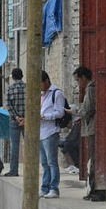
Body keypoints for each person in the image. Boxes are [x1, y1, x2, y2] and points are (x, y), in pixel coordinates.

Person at [76, 65, 104, 202]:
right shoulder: (89, 89)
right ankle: (93, 189)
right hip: (91, 128)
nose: (78, 83)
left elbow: (88, 109)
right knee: (92, 159)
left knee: (94, 159)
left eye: (78, 80)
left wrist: (76, 111)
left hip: (92, 128)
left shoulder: (91, 89)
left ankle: (96, 189)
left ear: (83, 78)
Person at [40, 70, 67, 199]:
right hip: (41, 132)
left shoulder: (57, 93)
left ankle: (54, 188)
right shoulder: (42, 94)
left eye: (40, 84)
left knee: (52, 162)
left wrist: (45, 116)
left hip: (51, 131)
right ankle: (44, 187)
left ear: (46, 81)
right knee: (44, 163)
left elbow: (60, 112)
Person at [4, 68, 26, 176]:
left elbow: (9, 105)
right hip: (27, 121)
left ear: (12, 77)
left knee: (15, 147)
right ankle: (31, 169)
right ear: (22, 76)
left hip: (14, 120)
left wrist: (17, 117)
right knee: (30, 145)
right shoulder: (28, 88)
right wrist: (25, 118)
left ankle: (14, 170)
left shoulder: (10, 89)